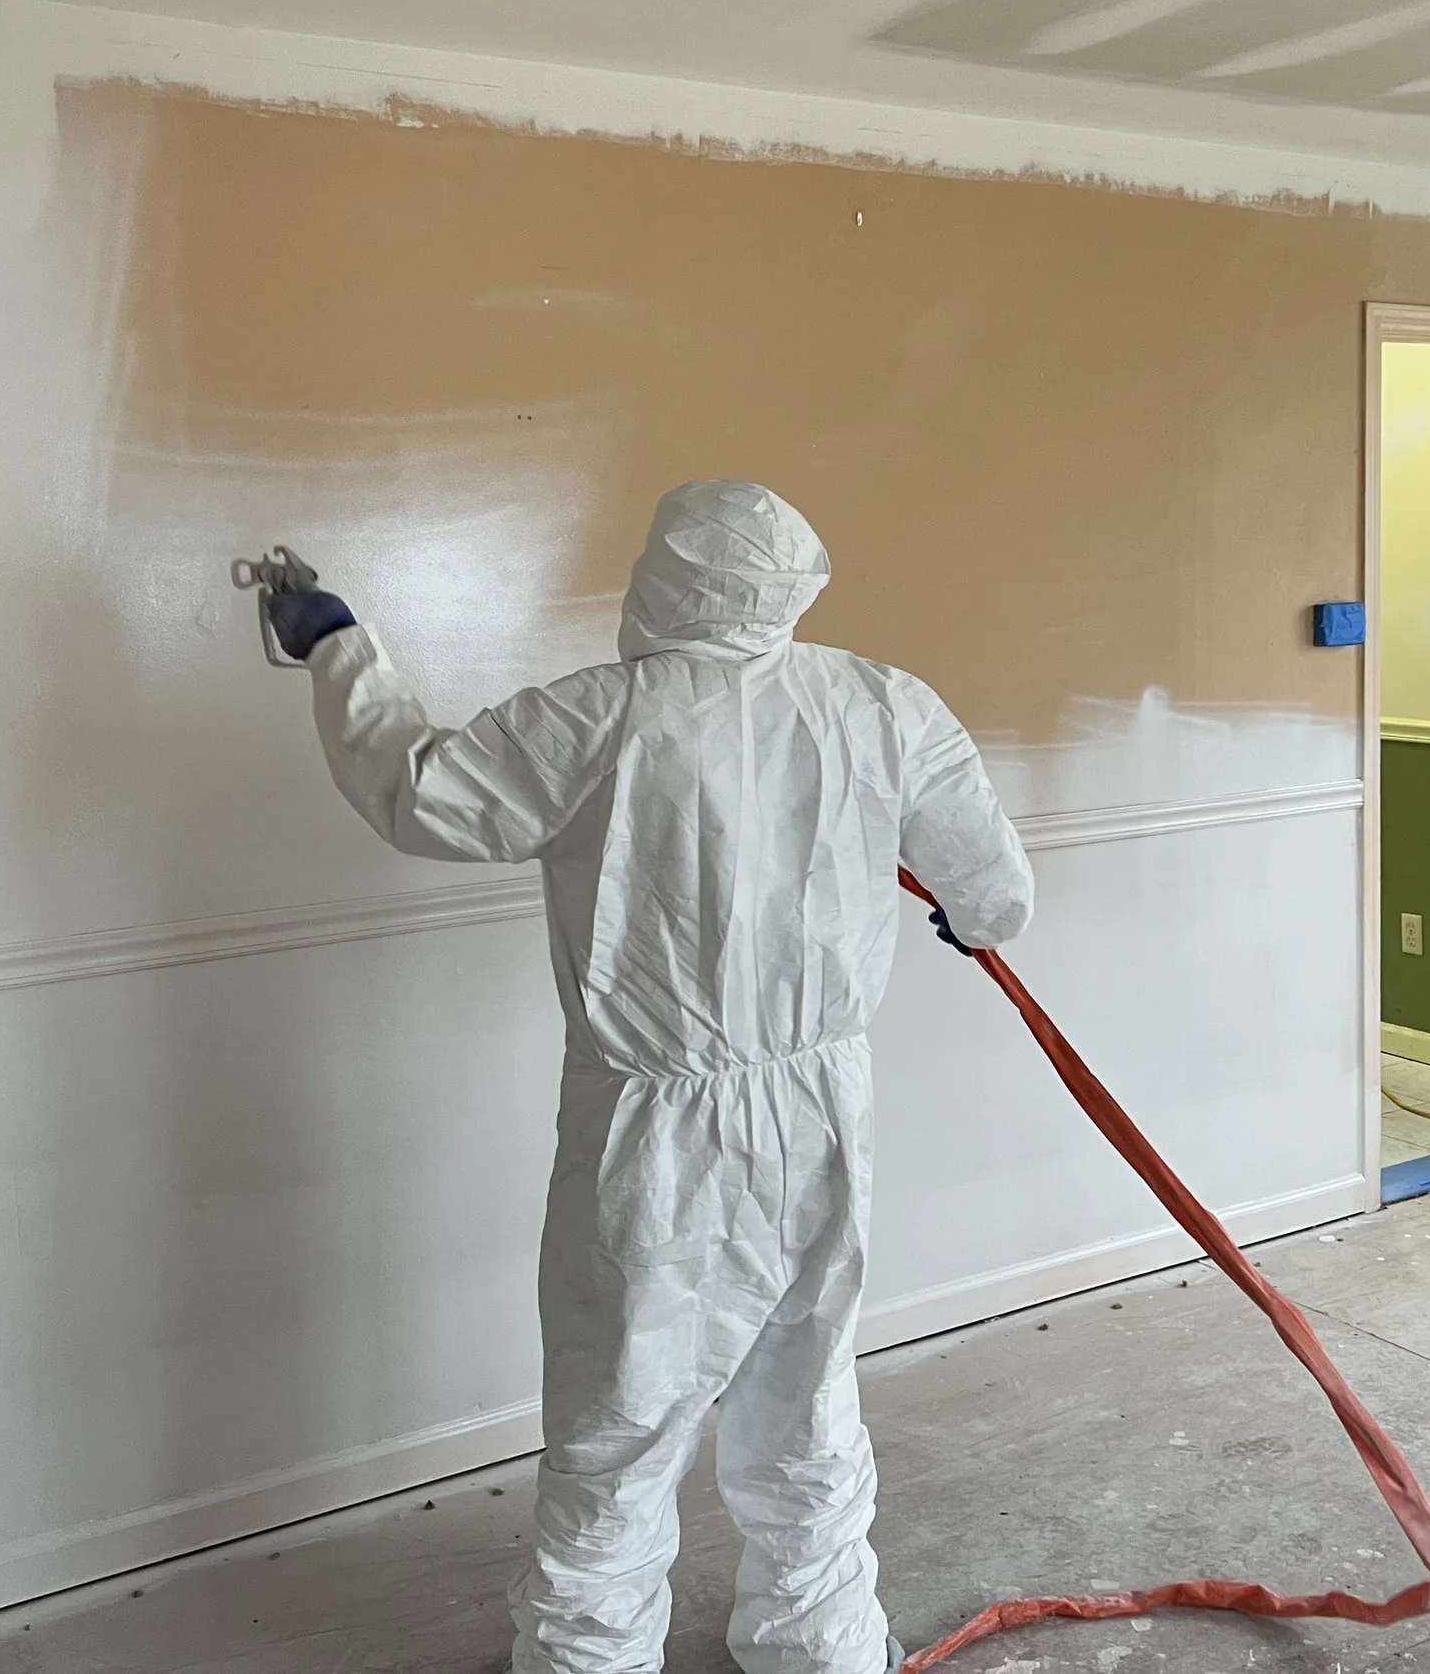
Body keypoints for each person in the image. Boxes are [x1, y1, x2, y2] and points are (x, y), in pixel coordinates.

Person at [267, 480, 1034, 1674]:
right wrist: (970, 917)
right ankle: (820, 1645)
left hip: (654, 1127)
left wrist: (335, 647)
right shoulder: (882, 703)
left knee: (620, 1415)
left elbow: (419, 791)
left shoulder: (598, 718)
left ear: (666, 579)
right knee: (806, 1383)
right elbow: (993, 895)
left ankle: (588, 1660)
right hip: (825, 1112)